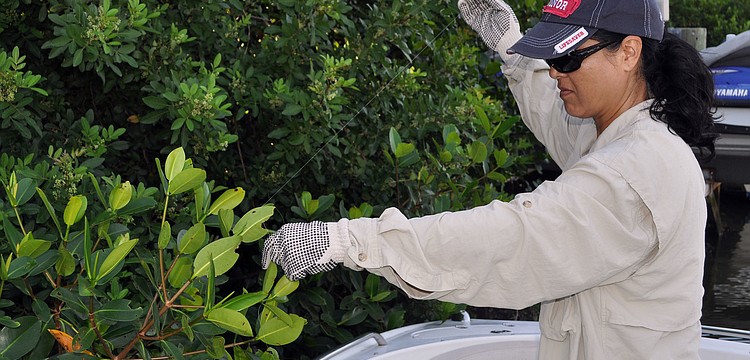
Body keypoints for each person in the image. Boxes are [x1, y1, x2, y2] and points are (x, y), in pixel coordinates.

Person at [262, 0, 717, 358]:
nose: (556, 71)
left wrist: (351, 242)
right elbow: (558, 121)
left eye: (570, 58)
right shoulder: (619, 135)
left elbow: (513, 238)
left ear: (629, 51)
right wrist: (511, 48)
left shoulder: (637, 173)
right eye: (550, 58)